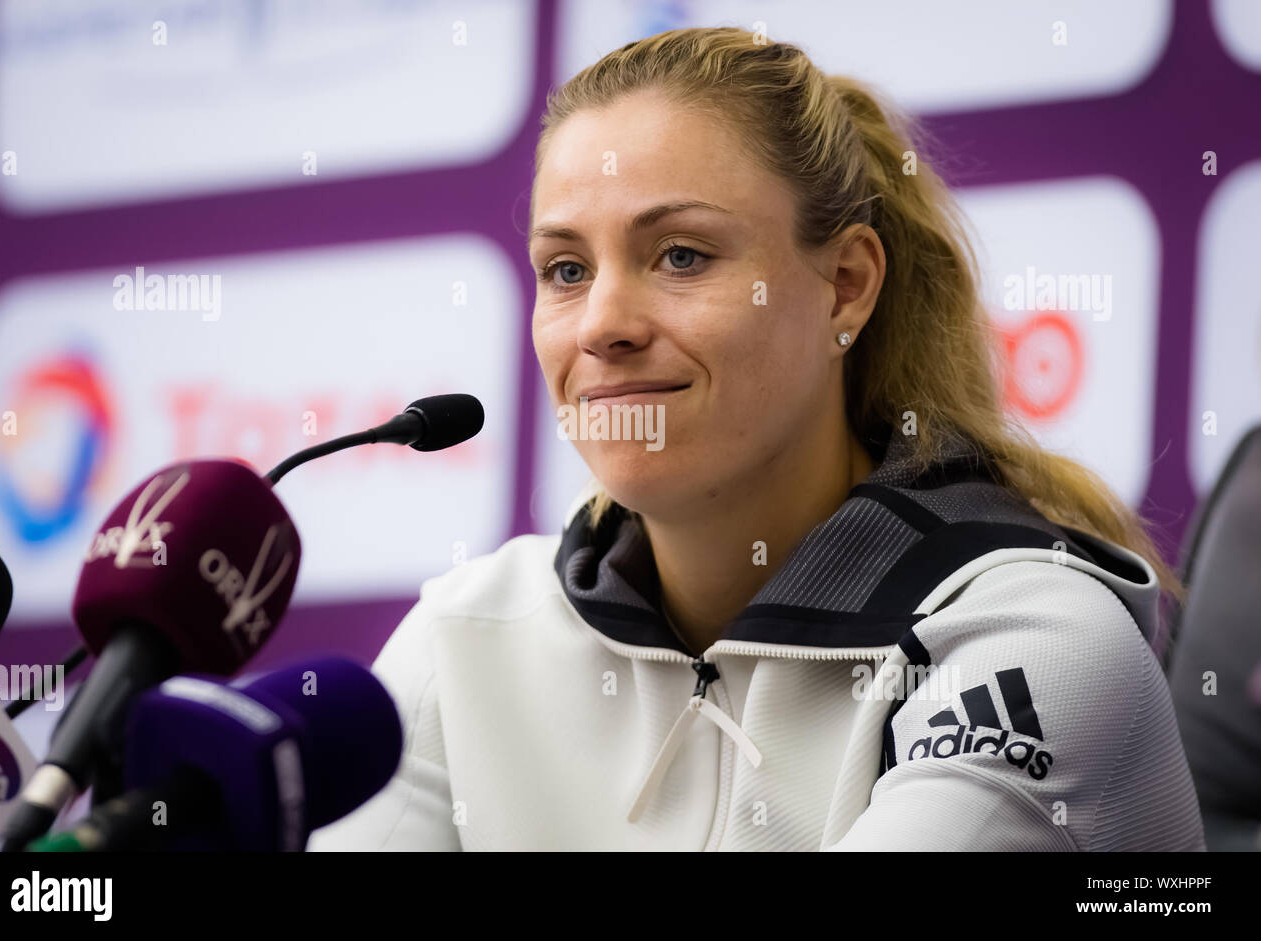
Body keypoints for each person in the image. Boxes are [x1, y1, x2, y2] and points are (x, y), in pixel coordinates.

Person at [309, 27, 1204, 851]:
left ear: (845, 286)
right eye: (567, 269)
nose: (604, 324)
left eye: (682, 255)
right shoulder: (466, 637)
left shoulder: (1037, 640)